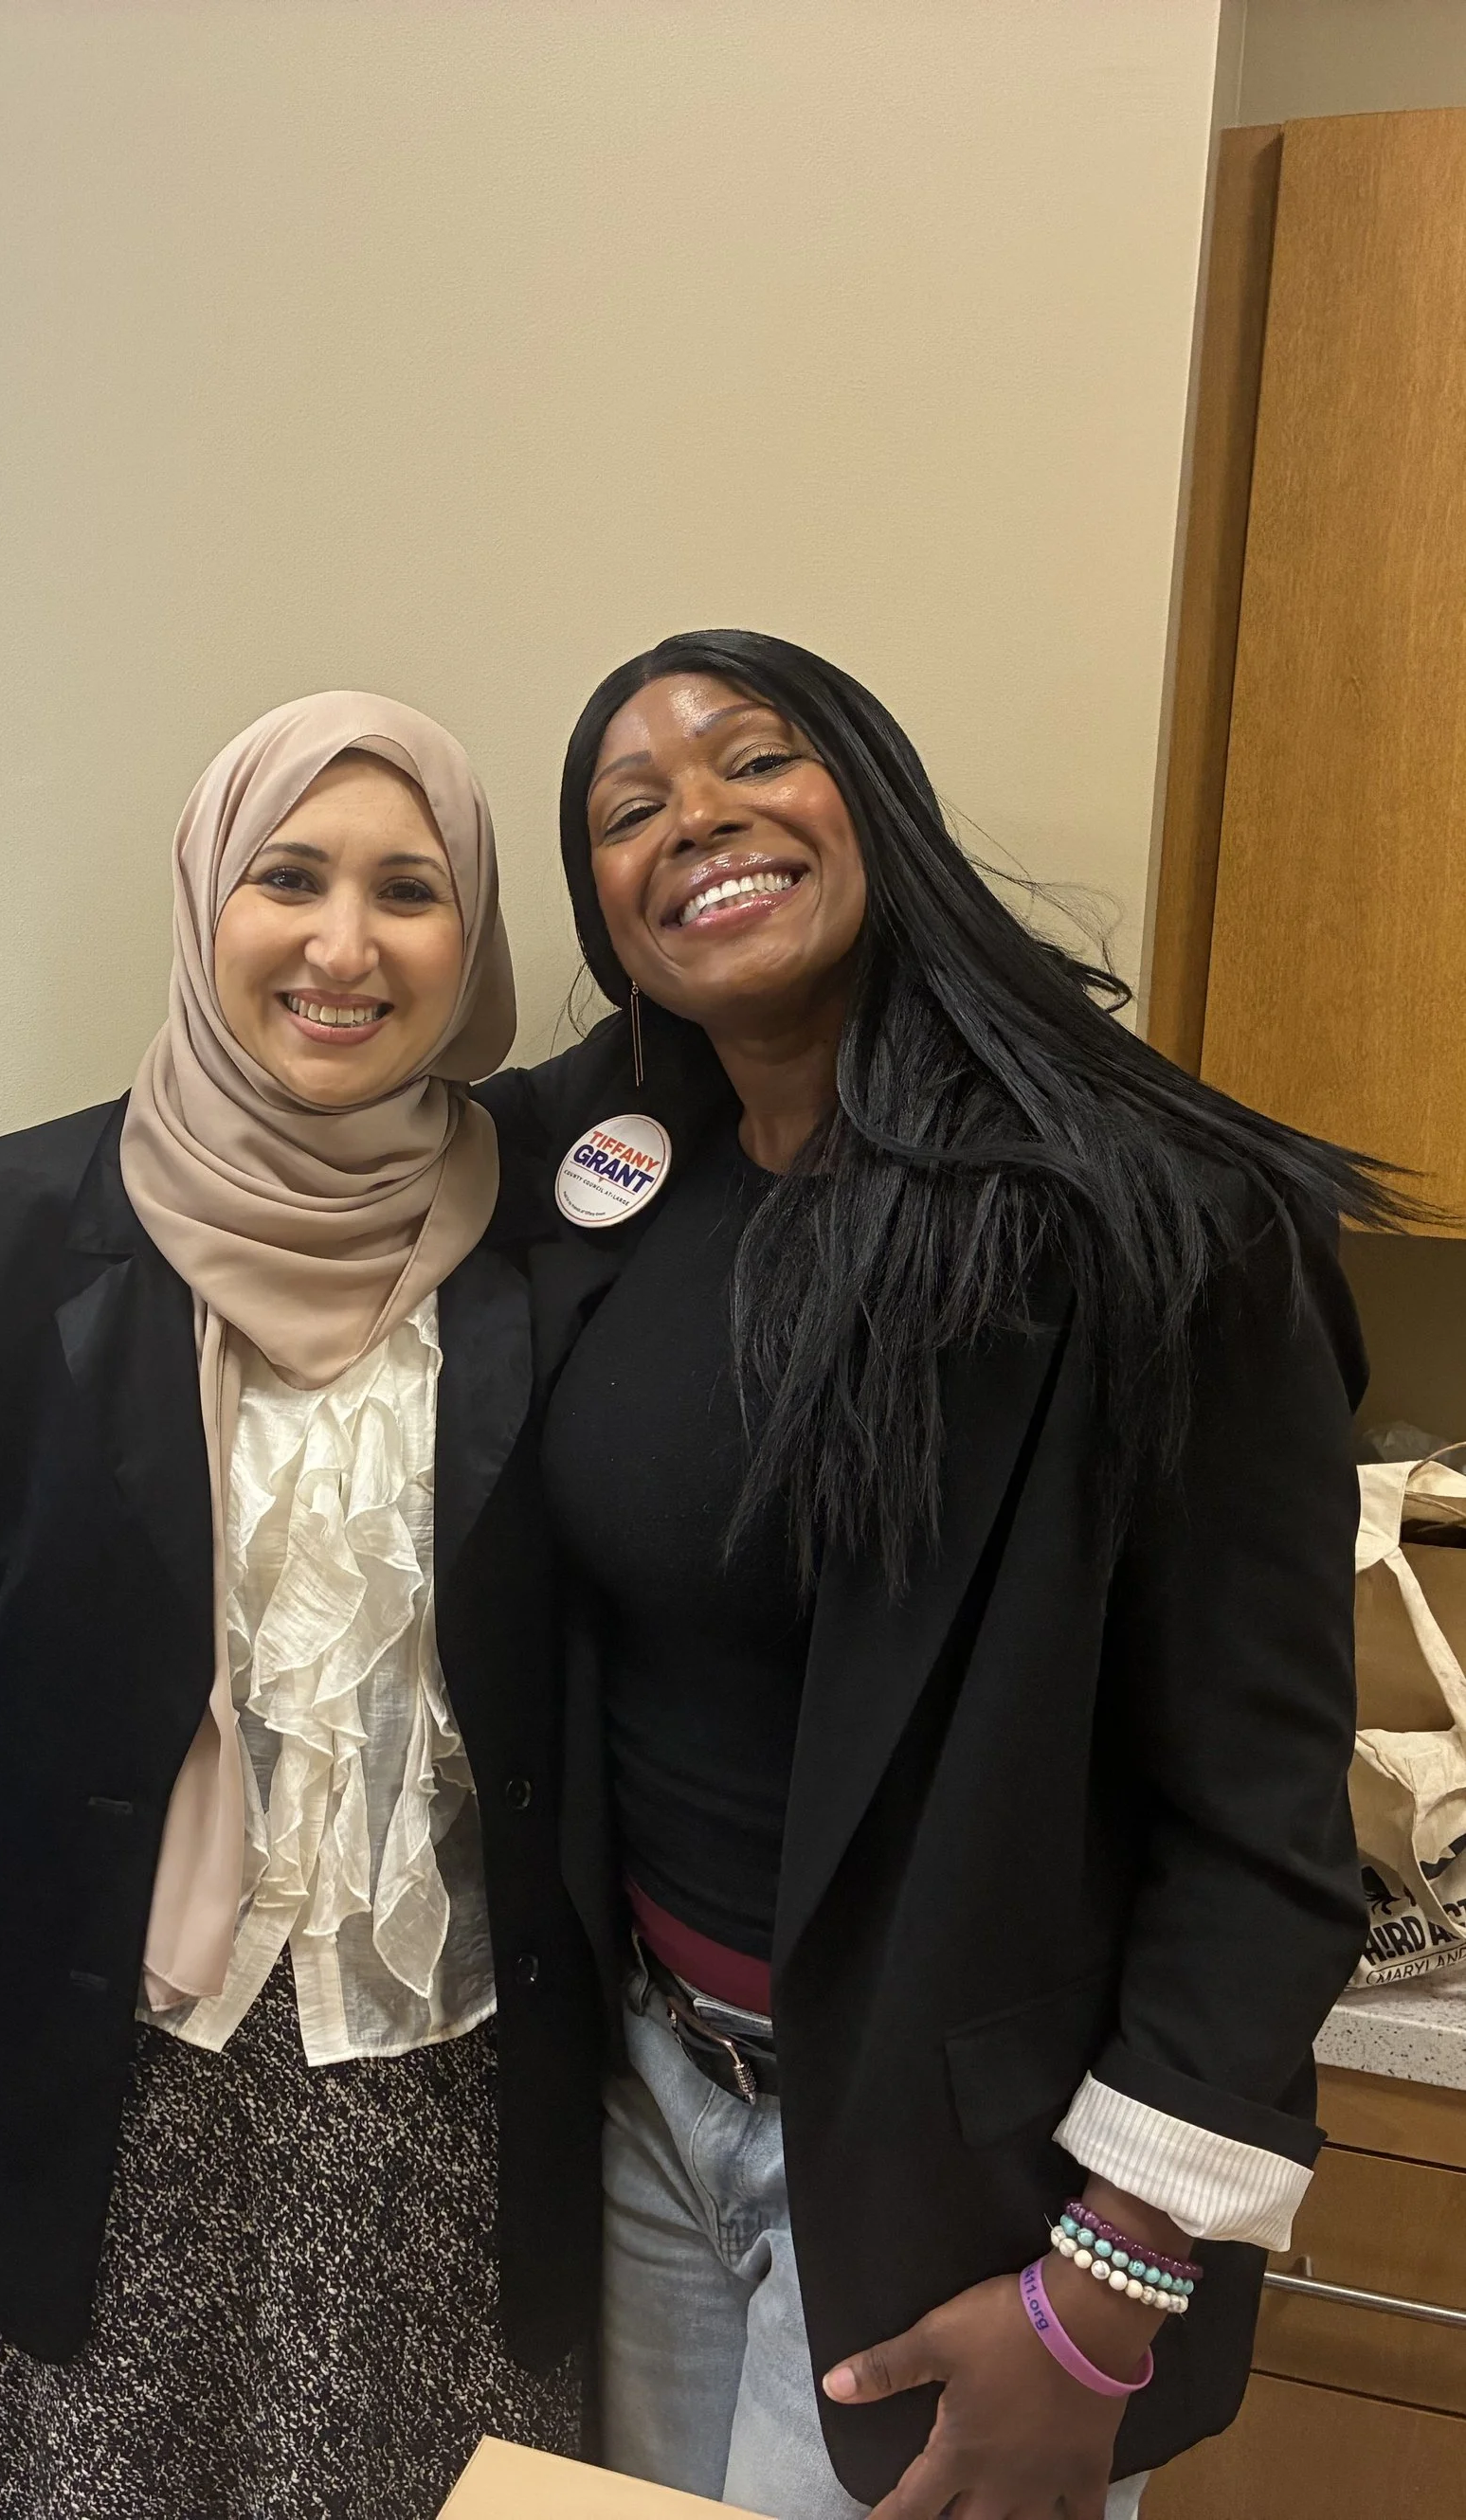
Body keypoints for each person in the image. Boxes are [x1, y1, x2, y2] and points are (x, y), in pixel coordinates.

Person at [479, 631, 1401, 2520]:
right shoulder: (613, 1166)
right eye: (628, 809)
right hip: (648, 2114)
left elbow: (1259, 1831)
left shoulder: (1150, 1222)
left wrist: (1106, 2294)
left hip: (966, 2186)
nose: (697, 822)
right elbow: (358, 1121)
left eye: (753, 761)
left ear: (873, 799)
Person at [0, 694, 600, 2519]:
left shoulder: (554, 1237)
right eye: (290, 878)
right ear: (205, 903)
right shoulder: (8, 1222)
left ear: (468, 938)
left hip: (439, 2105)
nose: (343, 944)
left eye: (409, 890)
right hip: (94, 2086)